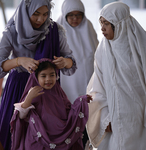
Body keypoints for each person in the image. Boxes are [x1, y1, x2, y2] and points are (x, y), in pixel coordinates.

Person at [0, 0, 77, 149]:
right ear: (26, 11)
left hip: (47, 92)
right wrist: (19, 61)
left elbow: (71, 63)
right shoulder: (12, 31)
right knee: (16, 135)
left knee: (44, 138)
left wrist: (65, 62)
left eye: (45, 14)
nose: (40, 20)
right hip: (19, 88)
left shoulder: (54, 30)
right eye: (35, 14)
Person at [86, 2, 146, 150]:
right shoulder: (103, 50)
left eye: (106, 23)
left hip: (139, 116)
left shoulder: (141, 45)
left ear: (119, 24)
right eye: (101, 23)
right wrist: (105, 117)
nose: (102, 28)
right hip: (114, 117)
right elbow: (98, 85)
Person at [10, 58, 92, 150]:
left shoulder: (59, 93)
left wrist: (81, 101)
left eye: (52, 75)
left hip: (60, 142)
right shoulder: (33, 93)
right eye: (43, 76)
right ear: (36, 77)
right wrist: (28, 99)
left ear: (56, 76)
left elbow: (70, 114)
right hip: (36, 143)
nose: (48, 79)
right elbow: (20, 117)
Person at [57, 0, 98, 149]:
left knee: (87, 117)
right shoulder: (57, 30)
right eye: (71, 15)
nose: (75, 19)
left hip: (88, 83)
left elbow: (97, 54)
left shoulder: (89, 28)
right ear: (65, 15)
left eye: (79, 15)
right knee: (69, 116)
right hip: (67, 83)